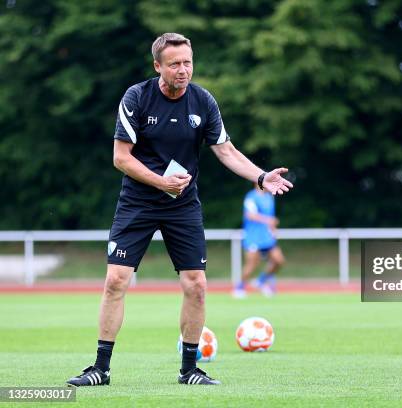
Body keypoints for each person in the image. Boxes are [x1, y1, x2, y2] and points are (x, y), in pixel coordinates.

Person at [66, 33, 293, 387]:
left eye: (188, 62)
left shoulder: (203, 101)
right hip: (138, 202)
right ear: (158, 66)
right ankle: (100, 368)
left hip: (182, 205)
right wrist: (160, 182)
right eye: (174, 64)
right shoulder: (137, 97)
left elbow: (227, 151)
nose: (183, 69)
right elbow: (120, 157)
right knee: (115, 281)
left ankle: (190, 370)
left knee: (197, 285)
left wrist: (261, 176)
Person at [233, 184, 285, 298]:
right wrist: (268, 220)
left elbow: (271, 216)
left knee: (279, 260)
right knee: (252, 265)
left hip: (267, 236)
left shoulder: (269, 197)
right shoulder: (251, 197)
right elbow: (250, 215)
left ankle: (260, 281)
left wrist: (273, 230)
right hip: (253, 236)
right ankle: (240, 288)